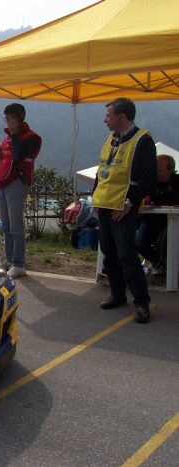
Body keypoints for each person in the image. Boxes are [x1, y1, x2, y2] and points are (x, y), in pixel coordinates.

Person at [92, 97, 156, 324]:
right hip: (105, 205)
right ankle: (117, 294)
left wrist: (130, 202)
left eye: (109, 115)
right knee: (109, 253)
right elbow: (102, 171)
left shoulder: (142, 140)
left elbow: (148, 177)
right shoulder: (112, 139)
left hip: (122, 208)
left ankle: (141, 303)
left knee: (127, 255)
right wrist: (95, 197)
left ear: (122, 116)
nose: (105, 120)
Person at [0, 103, 41, 279]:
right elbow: (6, 163)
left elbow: (19, 156)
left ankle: (19, 264)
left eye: (11, 118)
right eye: (7, 118)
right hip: (3, 183)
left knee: (16, 225)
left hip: (18, 183)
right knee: (5, 225)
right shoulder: (7, 139)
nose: (8, 122)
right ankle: (10, 259)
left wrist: (14, 135)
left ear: (19, 119)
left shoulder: (31, 138)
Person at [136, 154, 179, 274]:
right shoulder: (149, 181)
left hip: (170, 221)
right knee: (140, 244)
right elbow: (141, 196)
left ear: (170, 170)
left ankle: (160, 266)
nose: (156, 172)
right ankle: (161, 264)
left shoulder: (177, 182)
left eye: (160, 170)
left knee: (163, 241)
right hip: (151, 220)